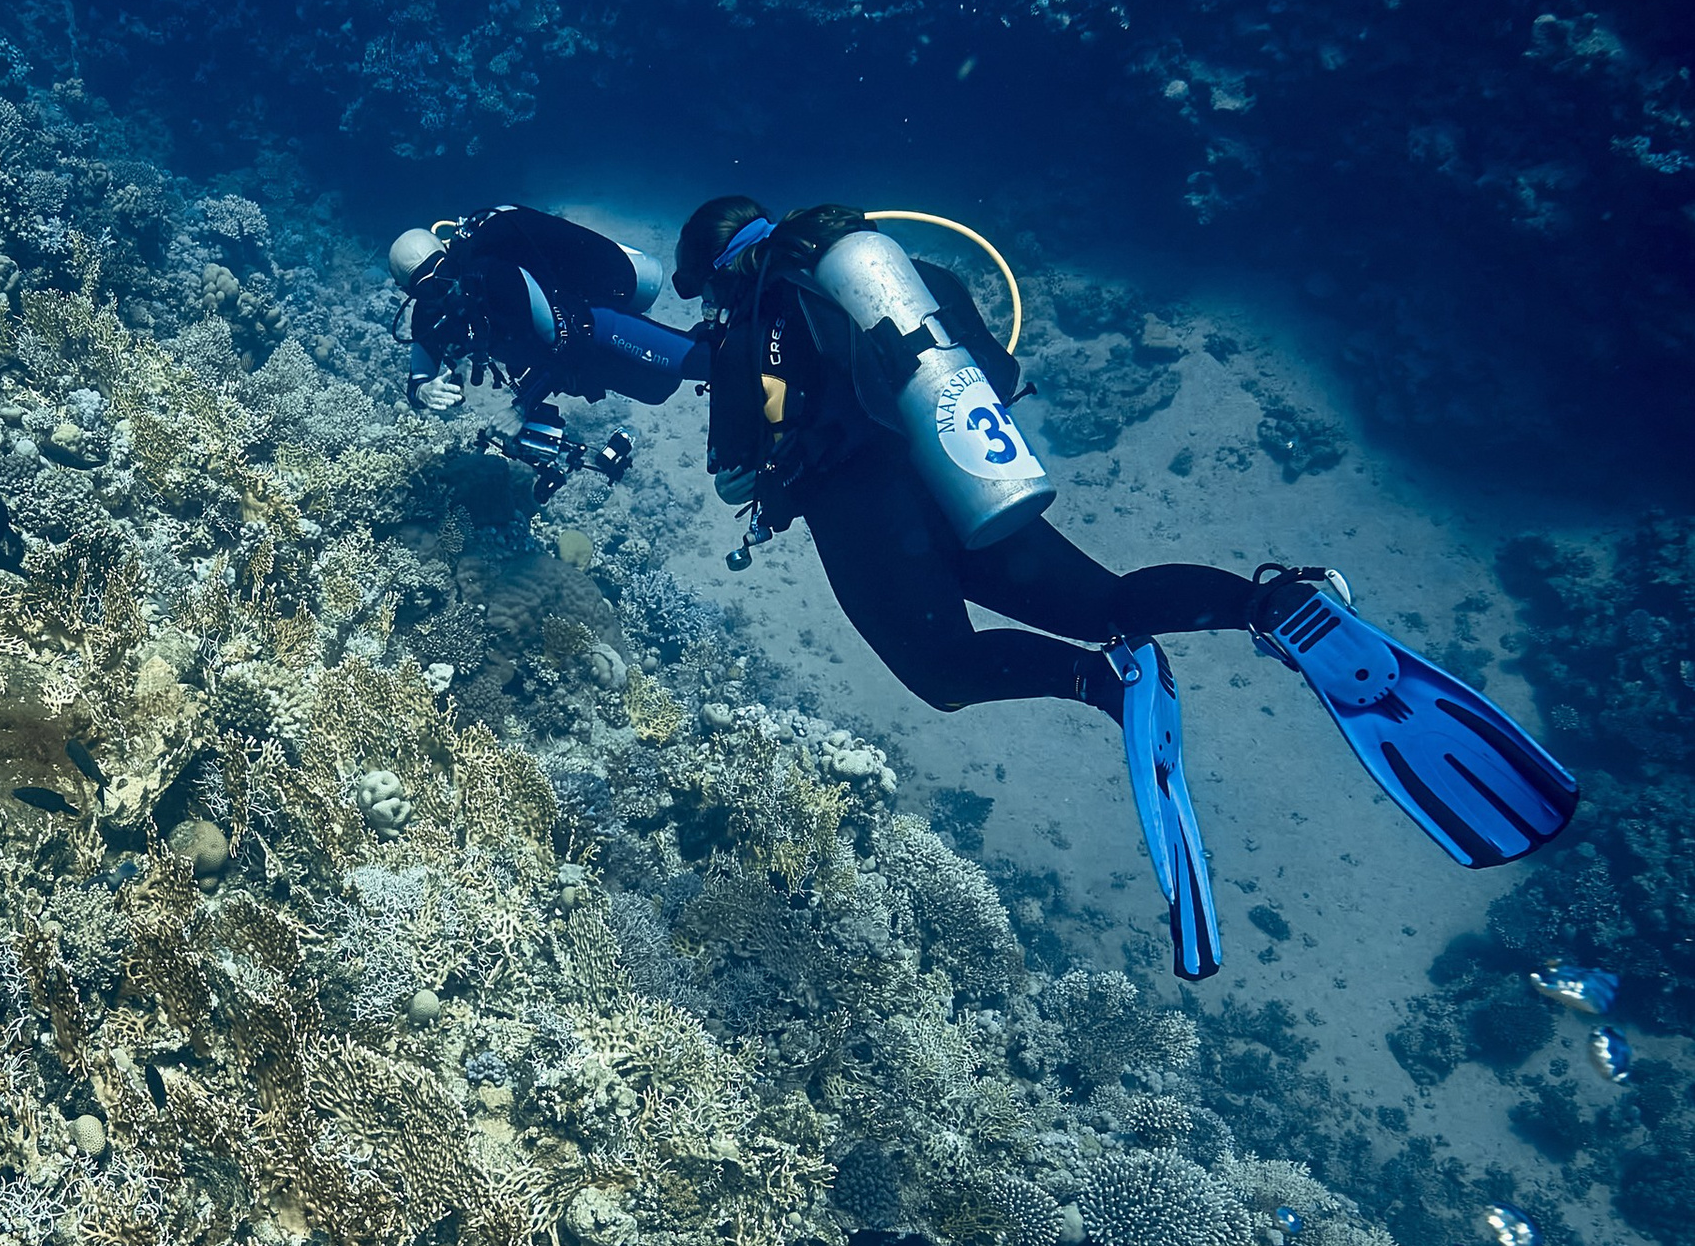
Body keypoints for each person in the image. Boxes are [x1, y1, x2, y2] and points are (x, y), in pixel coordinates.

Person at [386, 196, 1577, 982]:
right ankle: (1273, 606)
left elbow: (743, 458)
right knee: (1107, 592)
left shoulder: (758, 310)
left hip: (863, 500)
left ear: (714, 270)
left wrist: (737, 427)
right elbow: (991, 369)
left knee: (943, 673)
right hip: (959, 477)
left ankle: (1099, 687)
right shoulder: (889, 272)